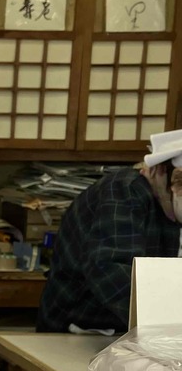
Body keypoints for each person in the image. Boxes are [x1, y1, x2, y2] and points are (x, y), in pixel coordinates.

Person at [37, 130, 182, 334]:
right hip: (78, 327)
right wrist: (164, 321)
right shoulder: (124, 191)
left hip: (128, 331)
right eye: (178, 185)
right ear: (159, 171)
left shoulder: (166, 202)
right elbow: (111, 270)